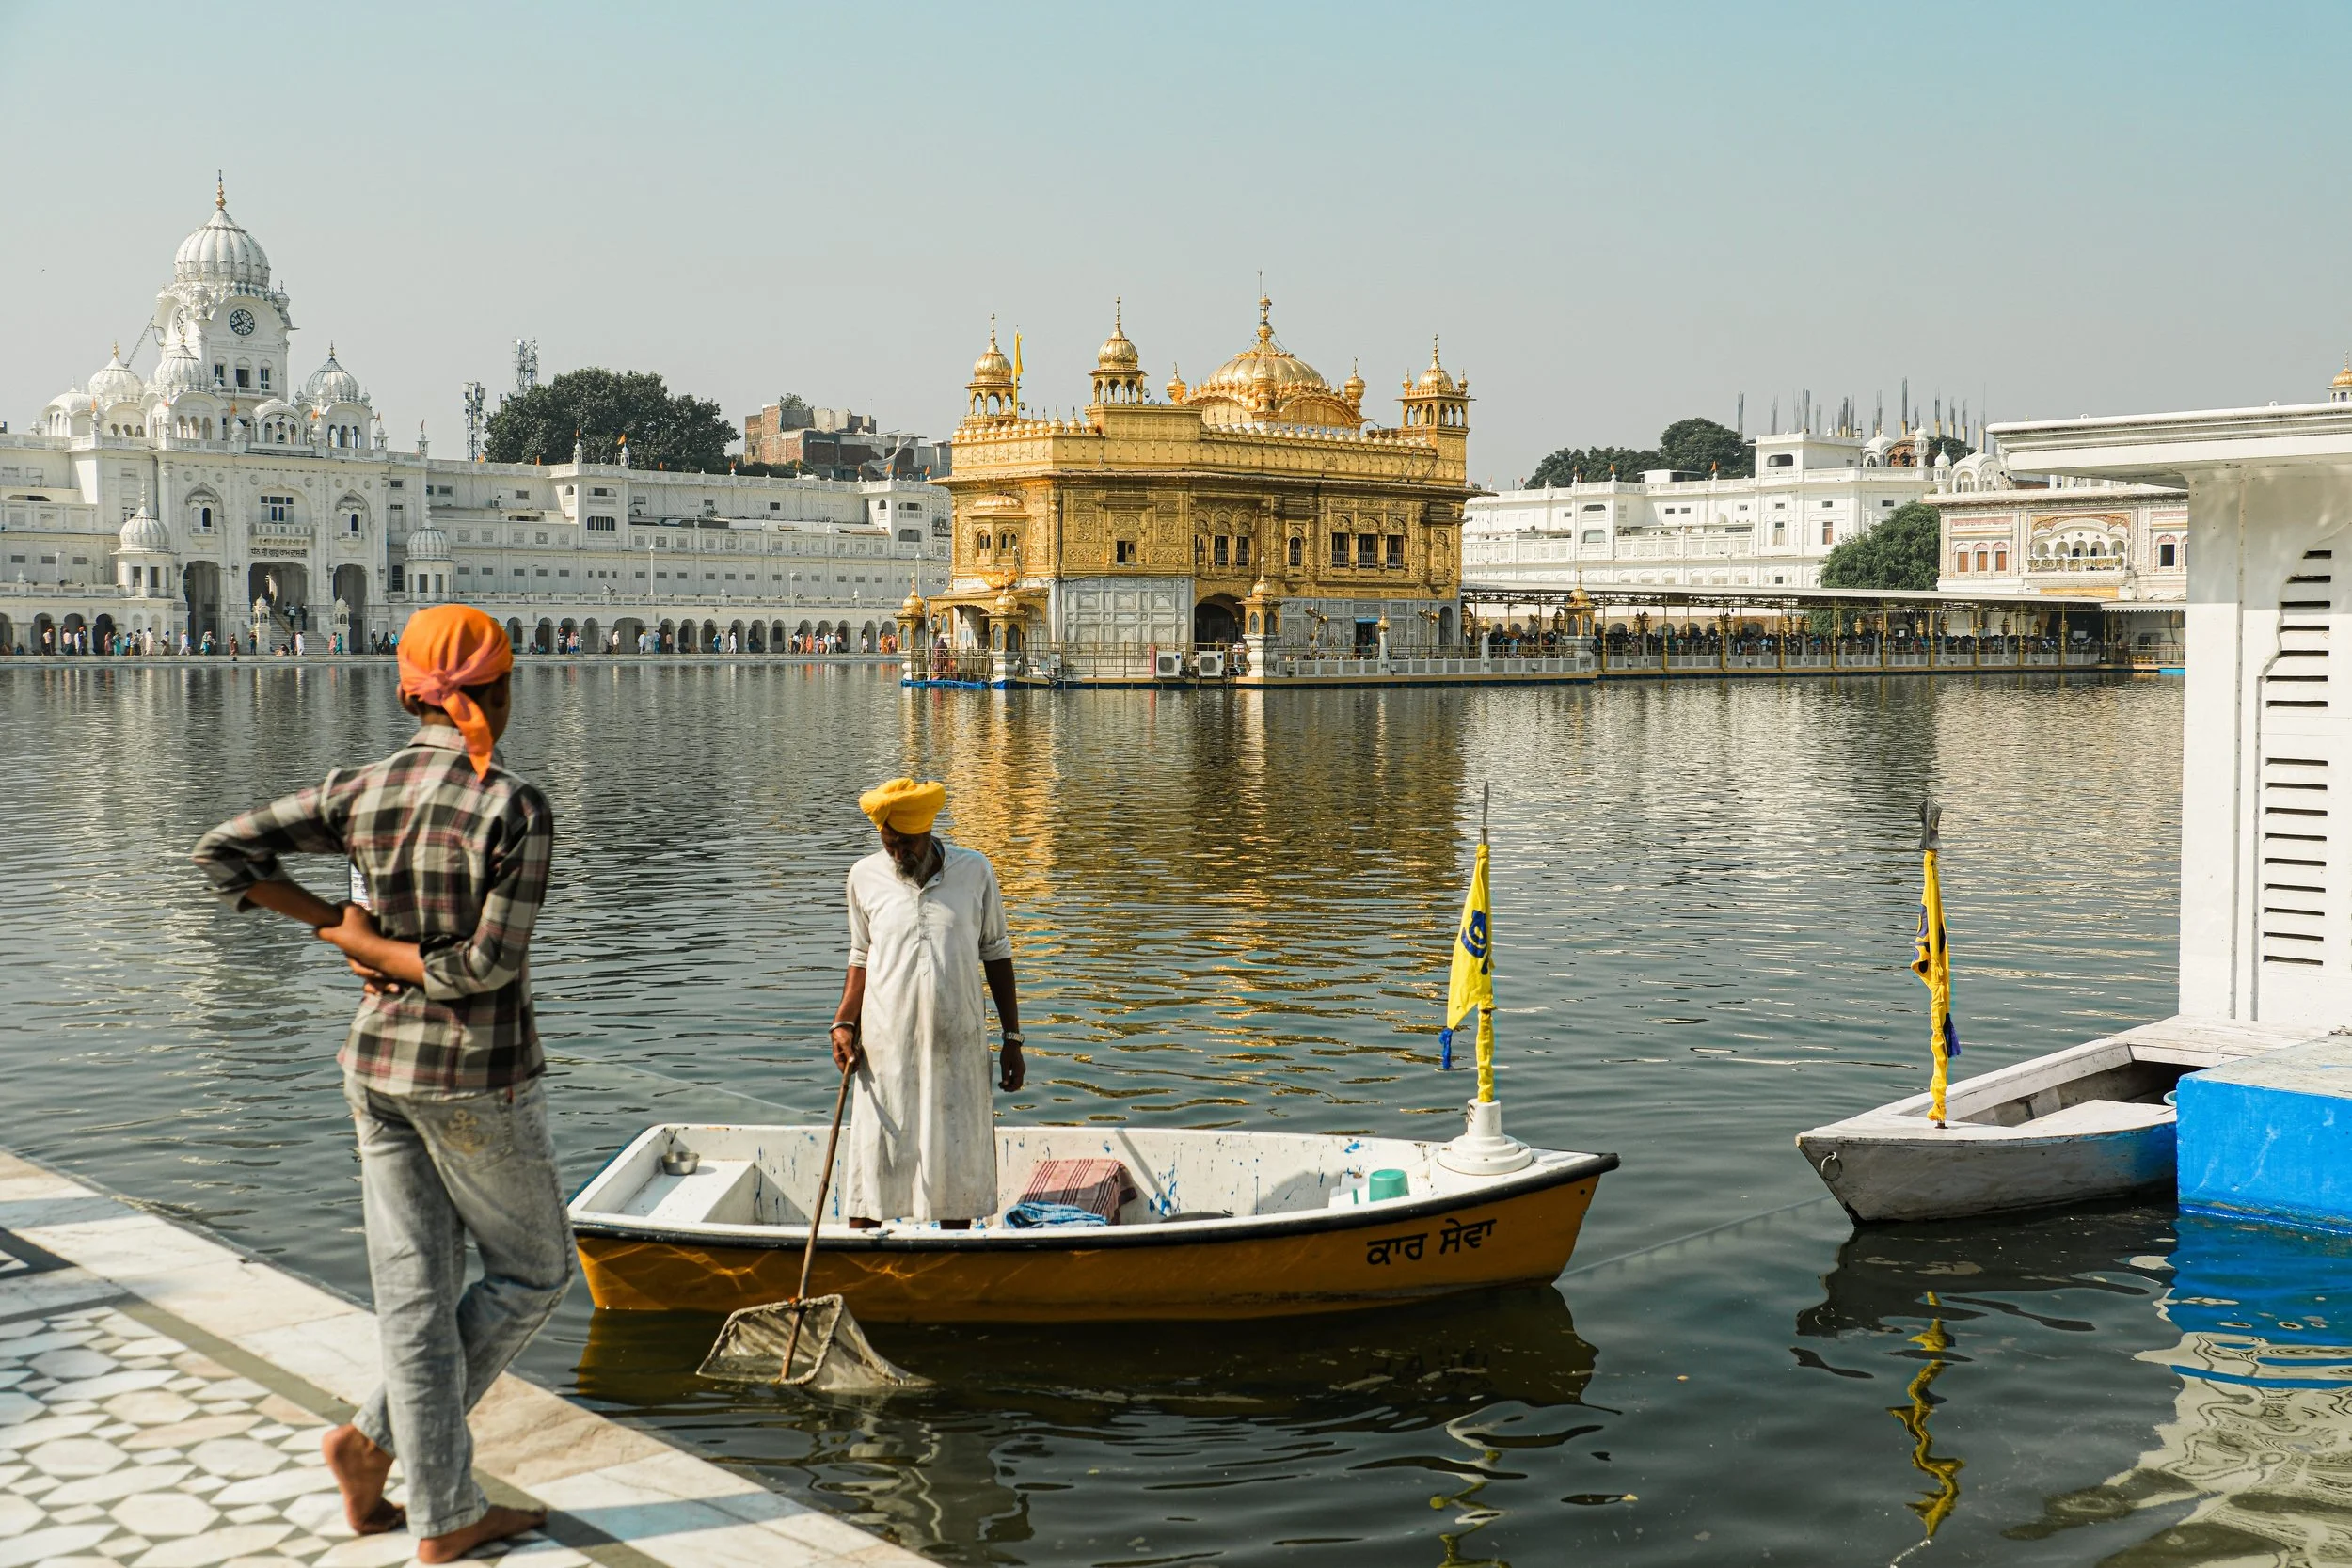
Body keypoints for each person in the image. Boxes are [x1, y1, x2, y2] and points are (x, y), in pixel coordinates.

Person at [189, 604, 564, 1563]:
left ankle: (415, 1490)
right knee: (533, 1273)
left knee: (415, 1296)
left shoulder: (360, 788)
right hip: (476, 1076)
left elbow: (221, 850)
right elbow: (484, 965)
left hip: (376, 1068)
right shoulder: (511, 804)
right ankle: (388, 1456)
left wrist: (337, 928)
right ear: (503, 688)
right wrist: (374, 944)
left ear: (407, 692)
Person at [830, 778, 1025, 1230]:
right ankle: (860, 1263)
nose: (899, 854)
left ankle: (951, 1265)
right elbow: (861, 956)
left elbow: (996, 951)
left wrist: (1012, 1038)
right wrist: (843, 1022)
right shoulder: (864, 876)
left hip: (956, 1047)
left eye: (908, 843)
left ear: (929, 830)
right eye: (890, 843)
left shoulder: (974, 871)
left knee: (953, 1171)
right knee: (872, 1172)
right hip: (884, 1050)